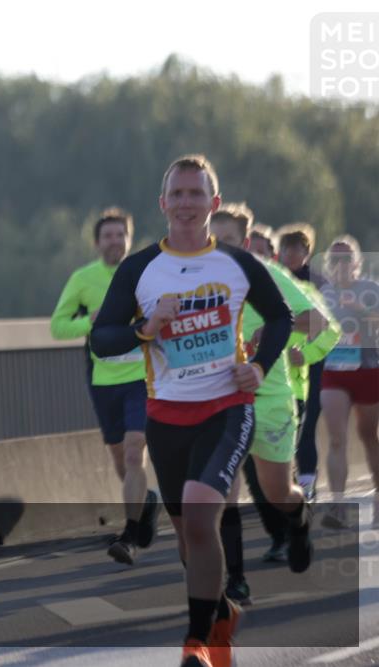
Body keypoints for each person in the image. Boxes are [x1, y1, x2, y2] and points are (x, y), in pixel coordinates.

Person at [91, 154, 296, 667]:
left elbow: (281, 316)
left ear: (214, 203)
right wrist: (146, 329)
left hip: (227, 408)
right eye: (177, 194)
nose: (186, 203)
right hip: (166, 416)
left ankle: (196, 641)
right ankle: (223, 615)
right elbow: (101, 339)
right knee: (188, 539)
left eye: (195, 193)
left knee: (204, 516)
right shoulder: (141, 268)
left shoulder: (238, 263)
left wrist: (261, 367)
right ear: (163, 203)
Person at [210, 204, 331, 606]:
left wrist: (269, 328)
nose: (218, 249)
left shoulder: (267, 274)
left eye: (227, 242)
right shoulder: (195, 278)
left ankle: (298, 522)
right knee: (221, 490)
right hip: (221, 399)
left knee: (278, 490)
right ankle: (236, 579)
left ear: (245, 243)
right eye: (213, 240)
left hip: (270, 396)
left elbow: (318, 322)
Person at [51, 207, 160, 565]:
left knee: (133, 453)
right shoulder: (83, 278)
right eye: (108, 236)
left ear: (129, 238)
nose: (115, 241)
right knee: (121, 459)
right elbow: (58, 327)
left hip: (141, 378)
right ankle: (145, 504)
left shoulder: (147, 272)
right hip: (103, 380)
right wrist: (90, 321)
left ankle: (128, 535)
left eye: (120, 235)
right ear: (97, 242)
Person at [318, 235, 379, 529]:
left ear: (357, 262)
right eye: (335, 259)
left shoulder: (369, 289)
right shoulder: (322, 293)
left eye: (346, 259)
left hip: (368, 370)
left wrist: (361, 310)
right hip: (334, 372)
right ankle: (338, 505)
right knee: (337, 438)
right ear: (328, 264)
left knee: (368, 436)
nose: (341, 265)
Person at [277, 224, 340, 504]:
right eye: (286, 249)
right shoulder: (272, 280)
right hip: (277, 367)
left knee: (306, 424)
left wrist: (308, 354)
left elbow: (331, 329)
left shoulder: (318, 284)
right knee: (281, 428)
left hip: (310, 366)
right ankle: (284, 484)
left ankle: (307, 483)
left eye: (296, 249)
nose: (290, 254)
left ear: (307, 252)